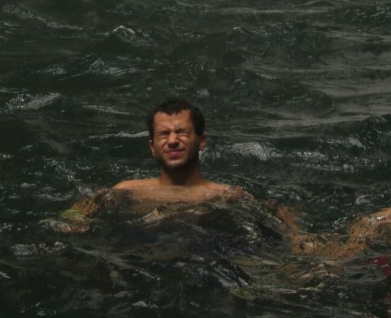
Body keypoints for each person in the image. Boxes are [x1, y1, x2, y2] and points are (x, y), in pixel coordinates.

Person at [60, 97, 255, 228]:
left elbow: (271, 220)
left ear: (202, 141)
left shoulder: (228, 195)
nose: (172, 141)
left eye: (181, 132)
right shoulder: (127, 191)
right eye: (163, 134)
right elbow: (73, 216)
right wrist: (74, 220)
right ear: (152, 146)